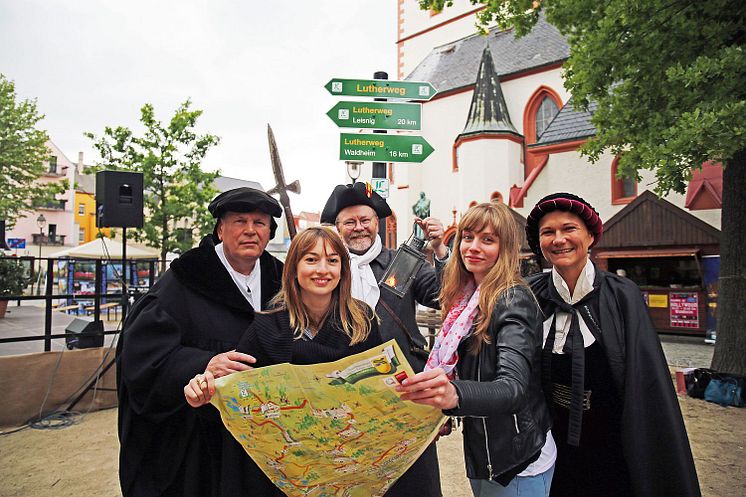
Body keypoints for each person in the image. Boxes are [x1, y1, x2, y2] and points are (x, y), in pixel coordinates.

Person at [524, 192, 701, 497]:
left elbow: (646, 384)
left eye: (569, 229)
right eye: (548, 232)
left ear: (590, 236)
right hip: (550, 447)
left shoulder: (621, 296)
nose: (558, 239)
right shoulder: (529, 295)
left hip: (612, 445)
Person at [184, 226, 381, 495]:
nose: (322, 269)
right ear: (293, 268)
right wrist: (204, 393)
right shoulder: (265, 329)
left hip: (344, 465)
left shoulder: (362, 322)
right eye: (311, 259)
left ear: (343, 270)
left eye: (332, 260)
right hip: (286, 473)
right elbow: (234, 399)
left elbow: (381, 390)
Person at [117, 187, 284, 497]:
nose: (250, 231)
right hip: (201, 442)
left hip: (264, 436)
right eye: (239, 221)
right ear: (220, 229)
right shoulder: (184, 279)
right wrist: (203, 363)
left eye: (260, 223)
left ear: (270, 232)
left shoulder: (282, 279)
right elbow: (143, 357)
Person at [397, 202, 555, 497]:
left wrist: (454, 394)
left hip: (516, 460)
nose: (473, 247)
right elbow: (449, 285)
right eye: (467, 237)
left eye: (488, 240)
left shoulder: (512, 299)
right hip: (485, 450)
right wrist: (439, 249)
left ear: (505, 247)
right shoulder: (468, 297)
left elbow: (513, 388)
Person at [321, 182, 447, 497]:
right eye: (349, 222)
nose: (358, 228)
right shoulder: (327, 268)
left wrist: (442, 251)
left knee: (415, 482)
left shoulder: (404, 262)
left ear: (376, 223)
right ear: (338, 228)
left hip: (405, 393)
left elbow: (446, 297)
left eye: (364, 220)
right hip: (349, 394)